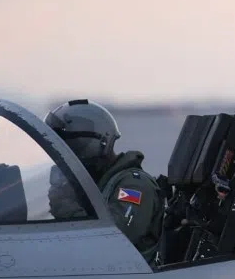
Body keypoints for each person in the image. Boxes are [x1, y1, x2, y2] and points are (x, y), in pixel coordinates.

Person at [44, 99, 164, 262]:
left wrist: (64, 204)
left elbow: (114, 237)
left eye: (69, 149)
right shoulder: (94, 184)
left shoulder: (134, 185)